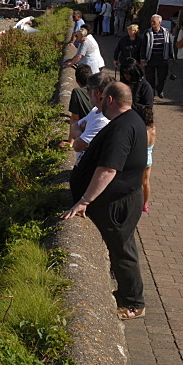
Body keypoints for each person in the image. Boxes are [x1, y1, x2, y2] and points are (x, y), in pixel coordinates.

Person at [62, 82, 147, 320]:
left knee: (122, 250)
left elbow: (108, 169)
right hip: (125, 197)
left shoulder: (121, 129)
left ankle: (133, 303)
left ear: (109, 100)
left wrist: (85, 200)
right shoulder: (132, 120)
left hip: (117, 203)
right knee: (123, 247)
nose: (96, 105)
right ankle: (128, 295)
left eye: (100, 100)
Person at [69, 72, 116, 162]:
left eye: (88, 89)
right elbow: (74, 126)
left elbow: (77, 146)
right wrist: (82, 134)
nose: (87, 92)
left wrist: (80, 133)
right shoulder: (96, 110)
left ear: (97, 92)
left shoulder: (102, 120)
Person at [140, 14, 174, 99]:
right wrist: (143, 58)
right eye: (151, 21)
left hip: (162, 58)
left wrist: (171, 57)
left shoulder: (166, 32)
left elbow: (170, 45)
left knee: (162, 77)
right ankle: (151, 93)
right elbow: (143, 46)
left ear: (160, 22)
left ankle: (160, 89)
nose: (152, 23)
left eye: (154, 21)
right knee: (150, 77)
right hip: (150, 58)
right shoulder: (147, 32)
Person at [64, 65, 93, 147]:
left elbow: (75, 118)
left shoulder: (77, 92)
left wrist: (71, 141)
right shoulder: (98, 89)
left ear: (77, 80)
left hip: (86, 134)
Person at [141, 105, 156, 212]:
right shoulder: (153, 129)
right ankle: (145, 204)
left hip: (141, 157)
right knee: (146, 182)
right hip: (149, 157)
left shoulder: (143, 130)